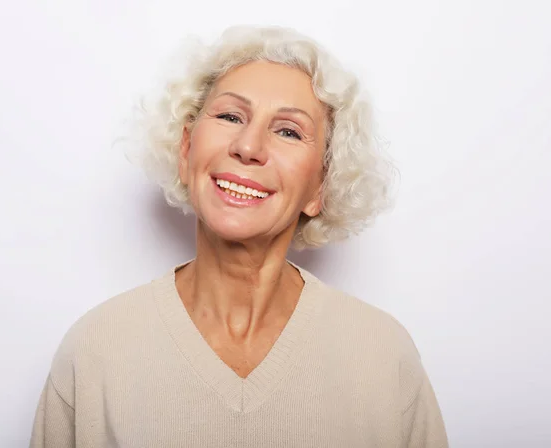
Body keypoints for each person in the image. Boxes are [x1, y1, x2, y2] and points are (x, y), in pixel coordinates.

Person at [30, 25, 448, 447]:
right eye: (231, 116)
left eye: (288, 131)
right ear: (186, 150)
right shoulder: (96, 350)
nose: (249, 146)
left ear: (322, 187)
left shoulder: (382, 355)